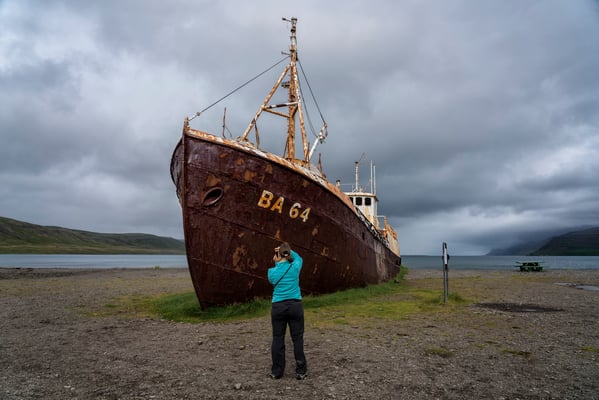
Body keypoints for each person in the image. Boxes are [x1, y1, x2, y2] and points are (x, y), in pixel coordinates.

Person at [267, 242, 308, 380]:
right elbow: (300, 258)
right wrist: (289, 251)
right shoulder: (295, 266)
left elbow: (274, 278)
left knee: (278, 338)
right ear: (288, 254)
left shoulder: (272, 272)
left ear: (277, 256)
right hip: (295, 305)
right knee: (297, 338)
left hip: (278, 307)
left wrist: (277, 263)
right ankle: (301, 371)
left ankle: (277, 371)